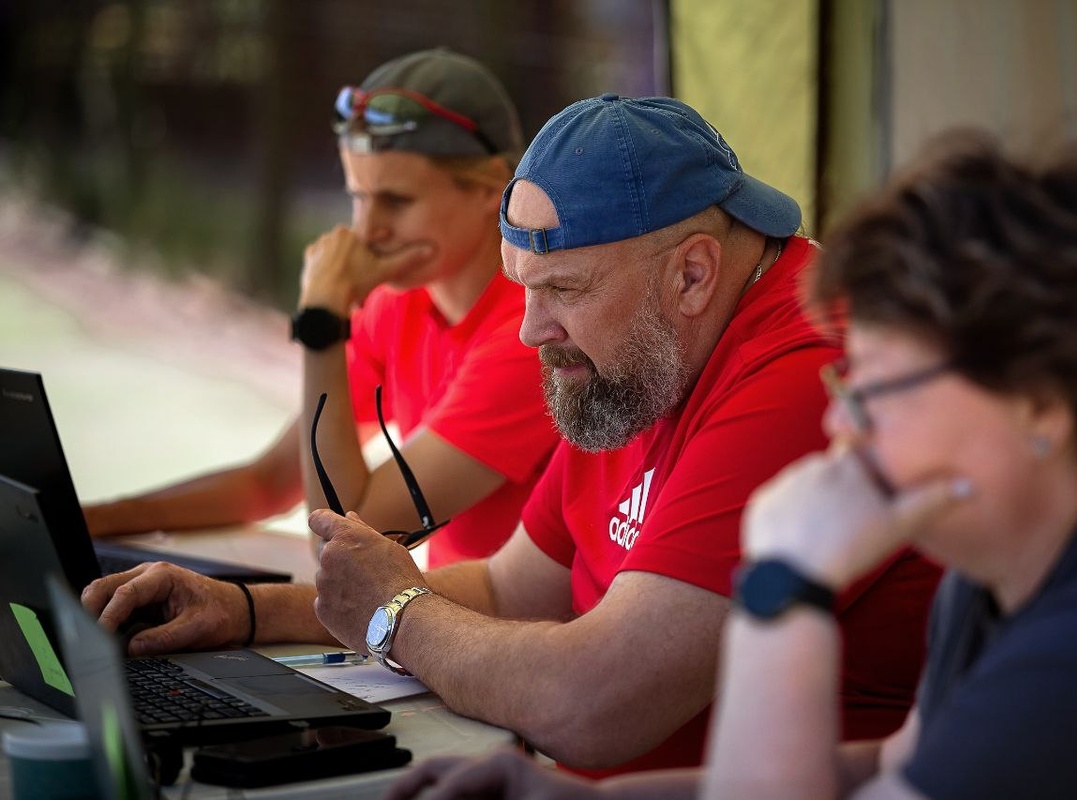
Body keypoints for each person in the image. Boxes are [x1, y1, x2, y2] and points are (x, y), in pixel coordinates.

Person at [84, 95, 940, 776]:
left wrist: (396, 615)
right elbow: (508, 588)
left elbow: (596, 703)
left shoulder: (807, 375)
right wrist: (242, 611)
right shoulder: (643, 352)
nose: (531, 329)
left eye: (562, 288)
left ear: (692, 273)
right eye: (522, 286)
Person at [384, 131, 1077, 798]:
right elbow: (887, 766)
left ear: (1040, 403)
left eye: (881, 389)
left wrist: (788, 586)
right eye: (850, 384)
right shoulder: (1003, 576)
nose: (842, 423)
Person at [82, 48, 560, 568]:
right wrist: (94, 519)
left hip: (501, 621)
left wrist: (323, 325)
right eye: (358, 196)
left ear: (491, 187)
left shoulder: (530, 336)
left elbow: (344, 536)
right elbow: (268, 484)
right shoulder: (397, 306)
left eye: (396, 201)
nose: (366, 231)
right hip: (443, 611)